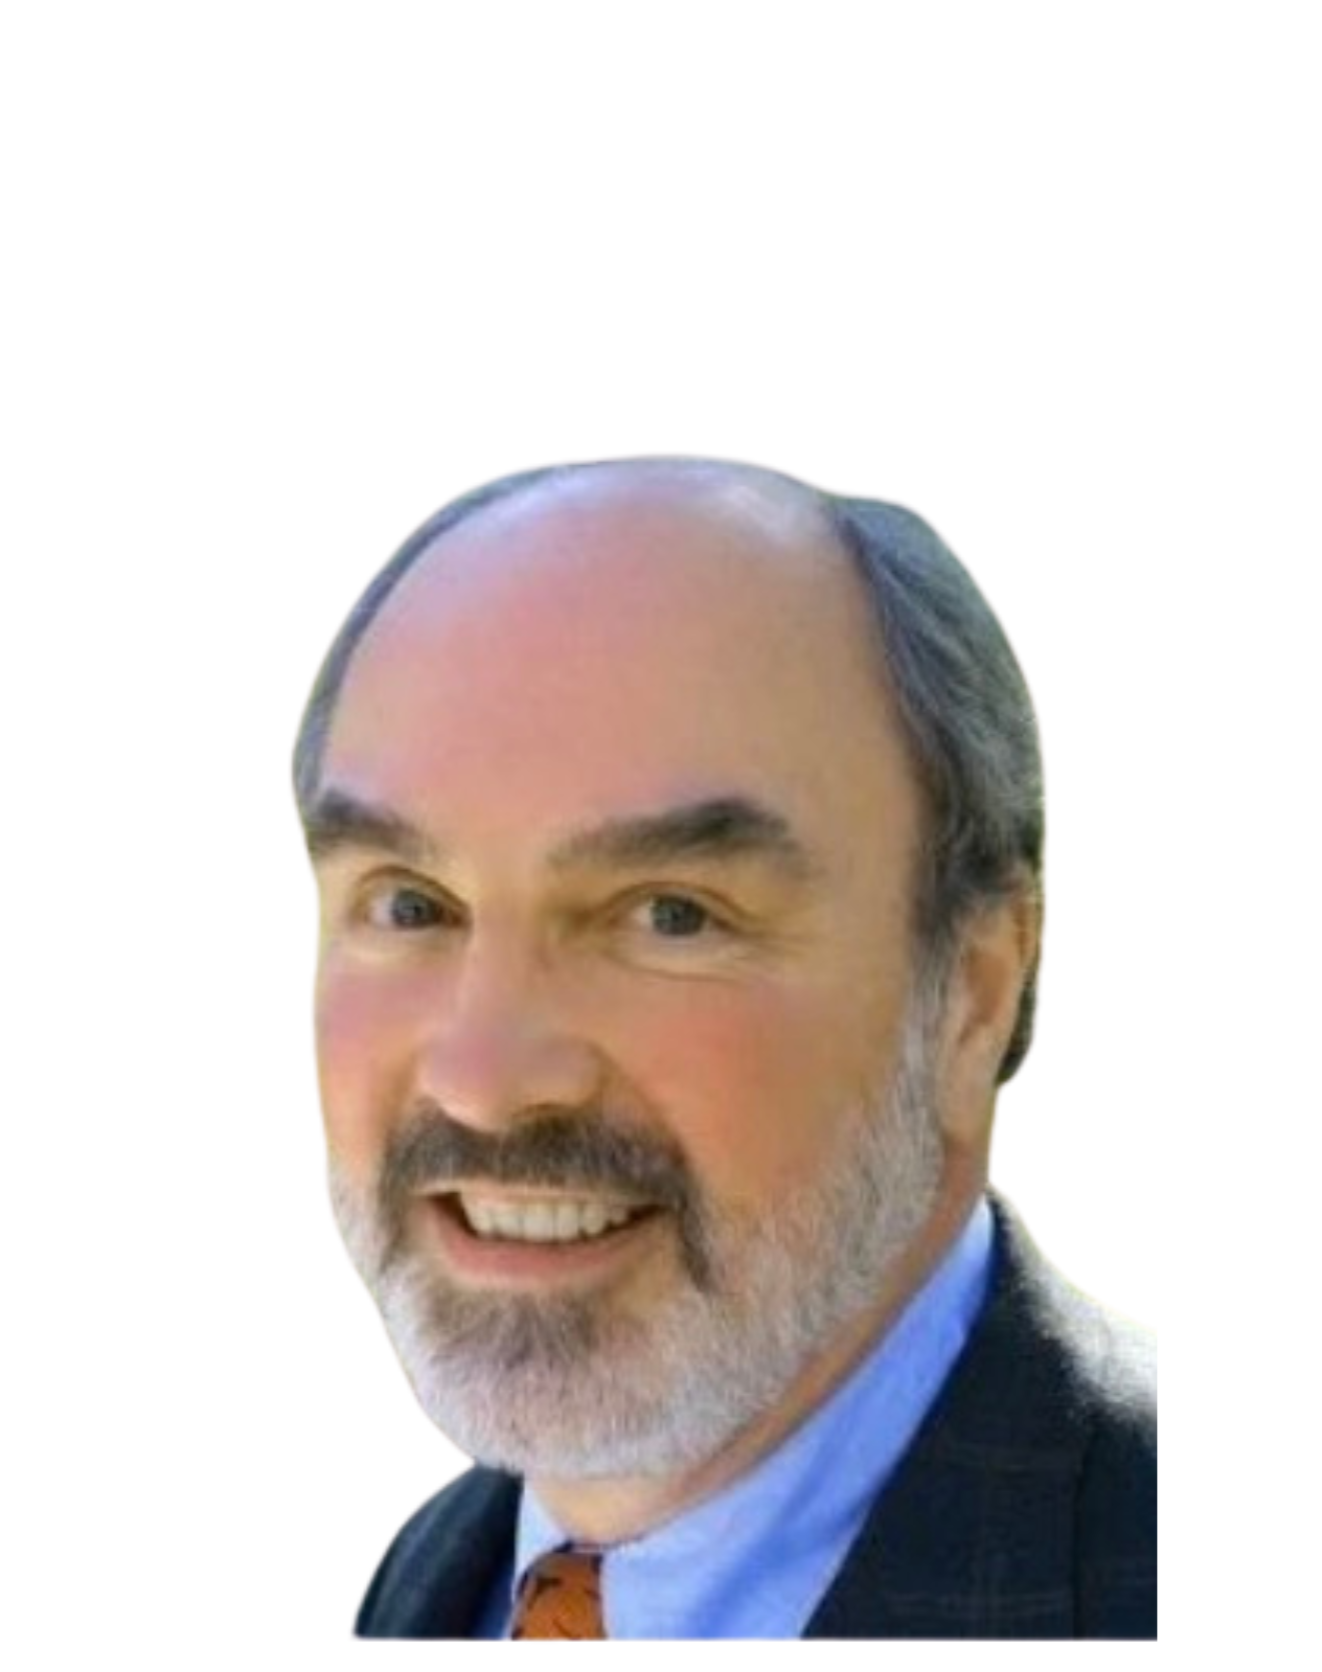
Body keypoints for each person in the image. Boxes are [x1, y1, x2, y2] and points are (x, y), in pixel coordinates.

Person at [293, 457, 1156, 1640]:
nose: (485, 1085)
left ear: (972, 990)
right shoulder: (437, 1582)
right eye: (408, 904)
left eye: (670, 913)